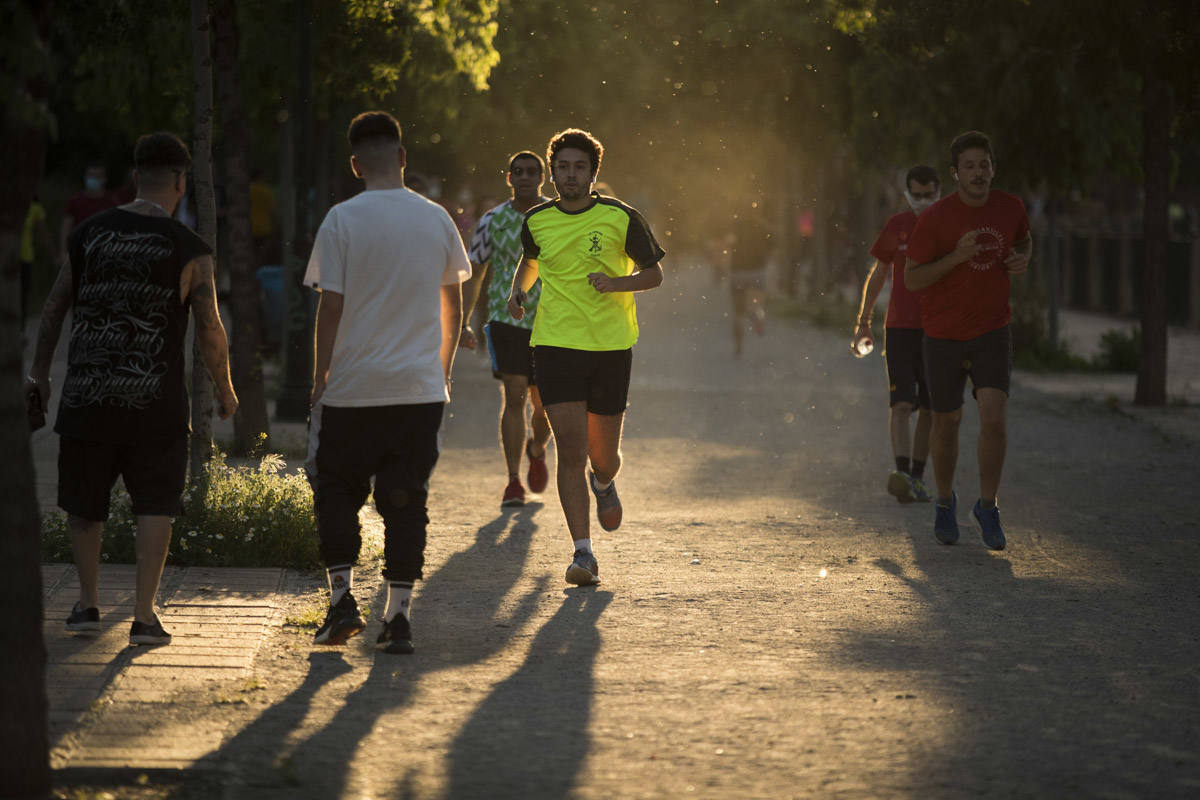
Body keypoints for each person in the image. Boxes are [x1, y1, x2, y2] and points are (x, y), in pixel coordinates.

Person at [27, 132, 238, 645]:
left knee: (83, 505)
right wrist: (227, 390)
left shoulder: (88, 234)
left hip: (87, 397)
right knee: (155, 506)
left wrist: (40, 376)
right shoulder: (191, 249)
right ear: (182, 183)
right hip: (156, 405)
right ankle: (144, 616)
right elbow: (210, 330)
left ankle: (86, 603)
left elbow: (53, 310)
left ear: (136, 174)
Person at [304, 111, 469, 654]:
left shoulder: (340, 221)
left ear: (356, 165)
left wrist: (319, 377)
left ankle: (341, 602)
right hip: (418, 390)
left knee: (335, 491)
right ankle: (397, 617)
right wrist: (440, 370)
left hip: (353, 387)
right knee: (406, 500)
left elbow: (331, 307)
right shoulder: (437, 219)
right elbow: (454, 301)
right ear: (403, 157)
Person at [506, 128, 665, 586]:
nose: (569, 174)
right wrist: (521, 290)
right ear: (551, 173)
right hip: (555, 345)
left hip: (611, 347)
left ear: (593, 173)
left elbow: (653, 274)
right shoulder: (536, 220)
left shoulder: (621, 217)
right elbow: (532, 260)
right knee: (570, 449)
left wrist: (616, 284)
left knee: (603, 455)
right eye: (562, 167)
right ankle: (582, 554)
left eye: (579, 167)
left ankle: (605, 482)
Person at [904, 131, 1031, 550]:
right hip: (942, 334)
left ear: (993, 168)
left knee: (993, 419)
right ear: (955, 173)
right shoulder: (936, 218)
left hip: (992, 330)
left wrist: (1023, 255)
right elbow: (912, 277)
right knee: (947, 421)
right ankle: (944, 503)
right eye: (970, 166)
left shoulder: (1010, 208)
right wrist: (956, 257)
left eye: (985, 164)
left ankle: (988, 506)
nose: (979, 173)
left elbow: (1023, 238)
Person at [460, 152, 553, 508]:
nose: (525, 177)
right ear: (509, 178)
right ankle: (513, 480)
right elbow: (474, 273)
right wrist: (465, 320)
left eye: (533, 172)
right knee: (514, 395)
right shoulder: (491, 220)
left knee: (544, 403)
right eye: (519, 172)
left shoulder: (556, 216)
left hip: (551, 320)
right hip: (505, 318)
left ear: (543, 177)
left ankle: (538, 448)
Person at [853, 166, 941, 505]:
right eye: (916, 195)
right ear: (907, 194)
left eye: (928, 194)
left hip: (939, 329)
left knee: (931, 408)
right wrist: (863, 320)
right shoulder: (897, 226)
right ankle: (902, 474)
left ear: (939, 191)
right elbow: (878, 273)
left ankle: (918, 477)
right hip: (900, 327)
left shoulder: (949, 226)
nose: (922, 201)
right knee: (901, 403)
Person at [729, 209, 772, 356]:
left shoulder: (735, 225)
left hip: (738, 272)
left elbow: (728, 244)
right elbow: (771, 246)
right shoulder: (763, 226)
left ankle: (739, 346)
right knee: (756, 305)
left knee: (738, 313)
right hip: (757, 271)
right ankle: (757, 319)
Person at [59, 161, 118, 252]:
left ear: (104, 179)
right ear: (85, 177)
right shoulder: (75, 201)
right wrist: (63, 252)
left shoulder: (112, 203)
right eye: (90, 175)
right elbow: (66, 228)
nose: (93, 179)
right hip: (79, 252)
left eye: (97, 176)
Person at [19, 195, 56, 335]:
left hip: (24, 257)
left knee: (22, 295)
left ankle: (21, 330)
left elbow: (44, 233)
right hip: (6, 257)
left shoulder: (34, 208)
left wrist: (53, 254)